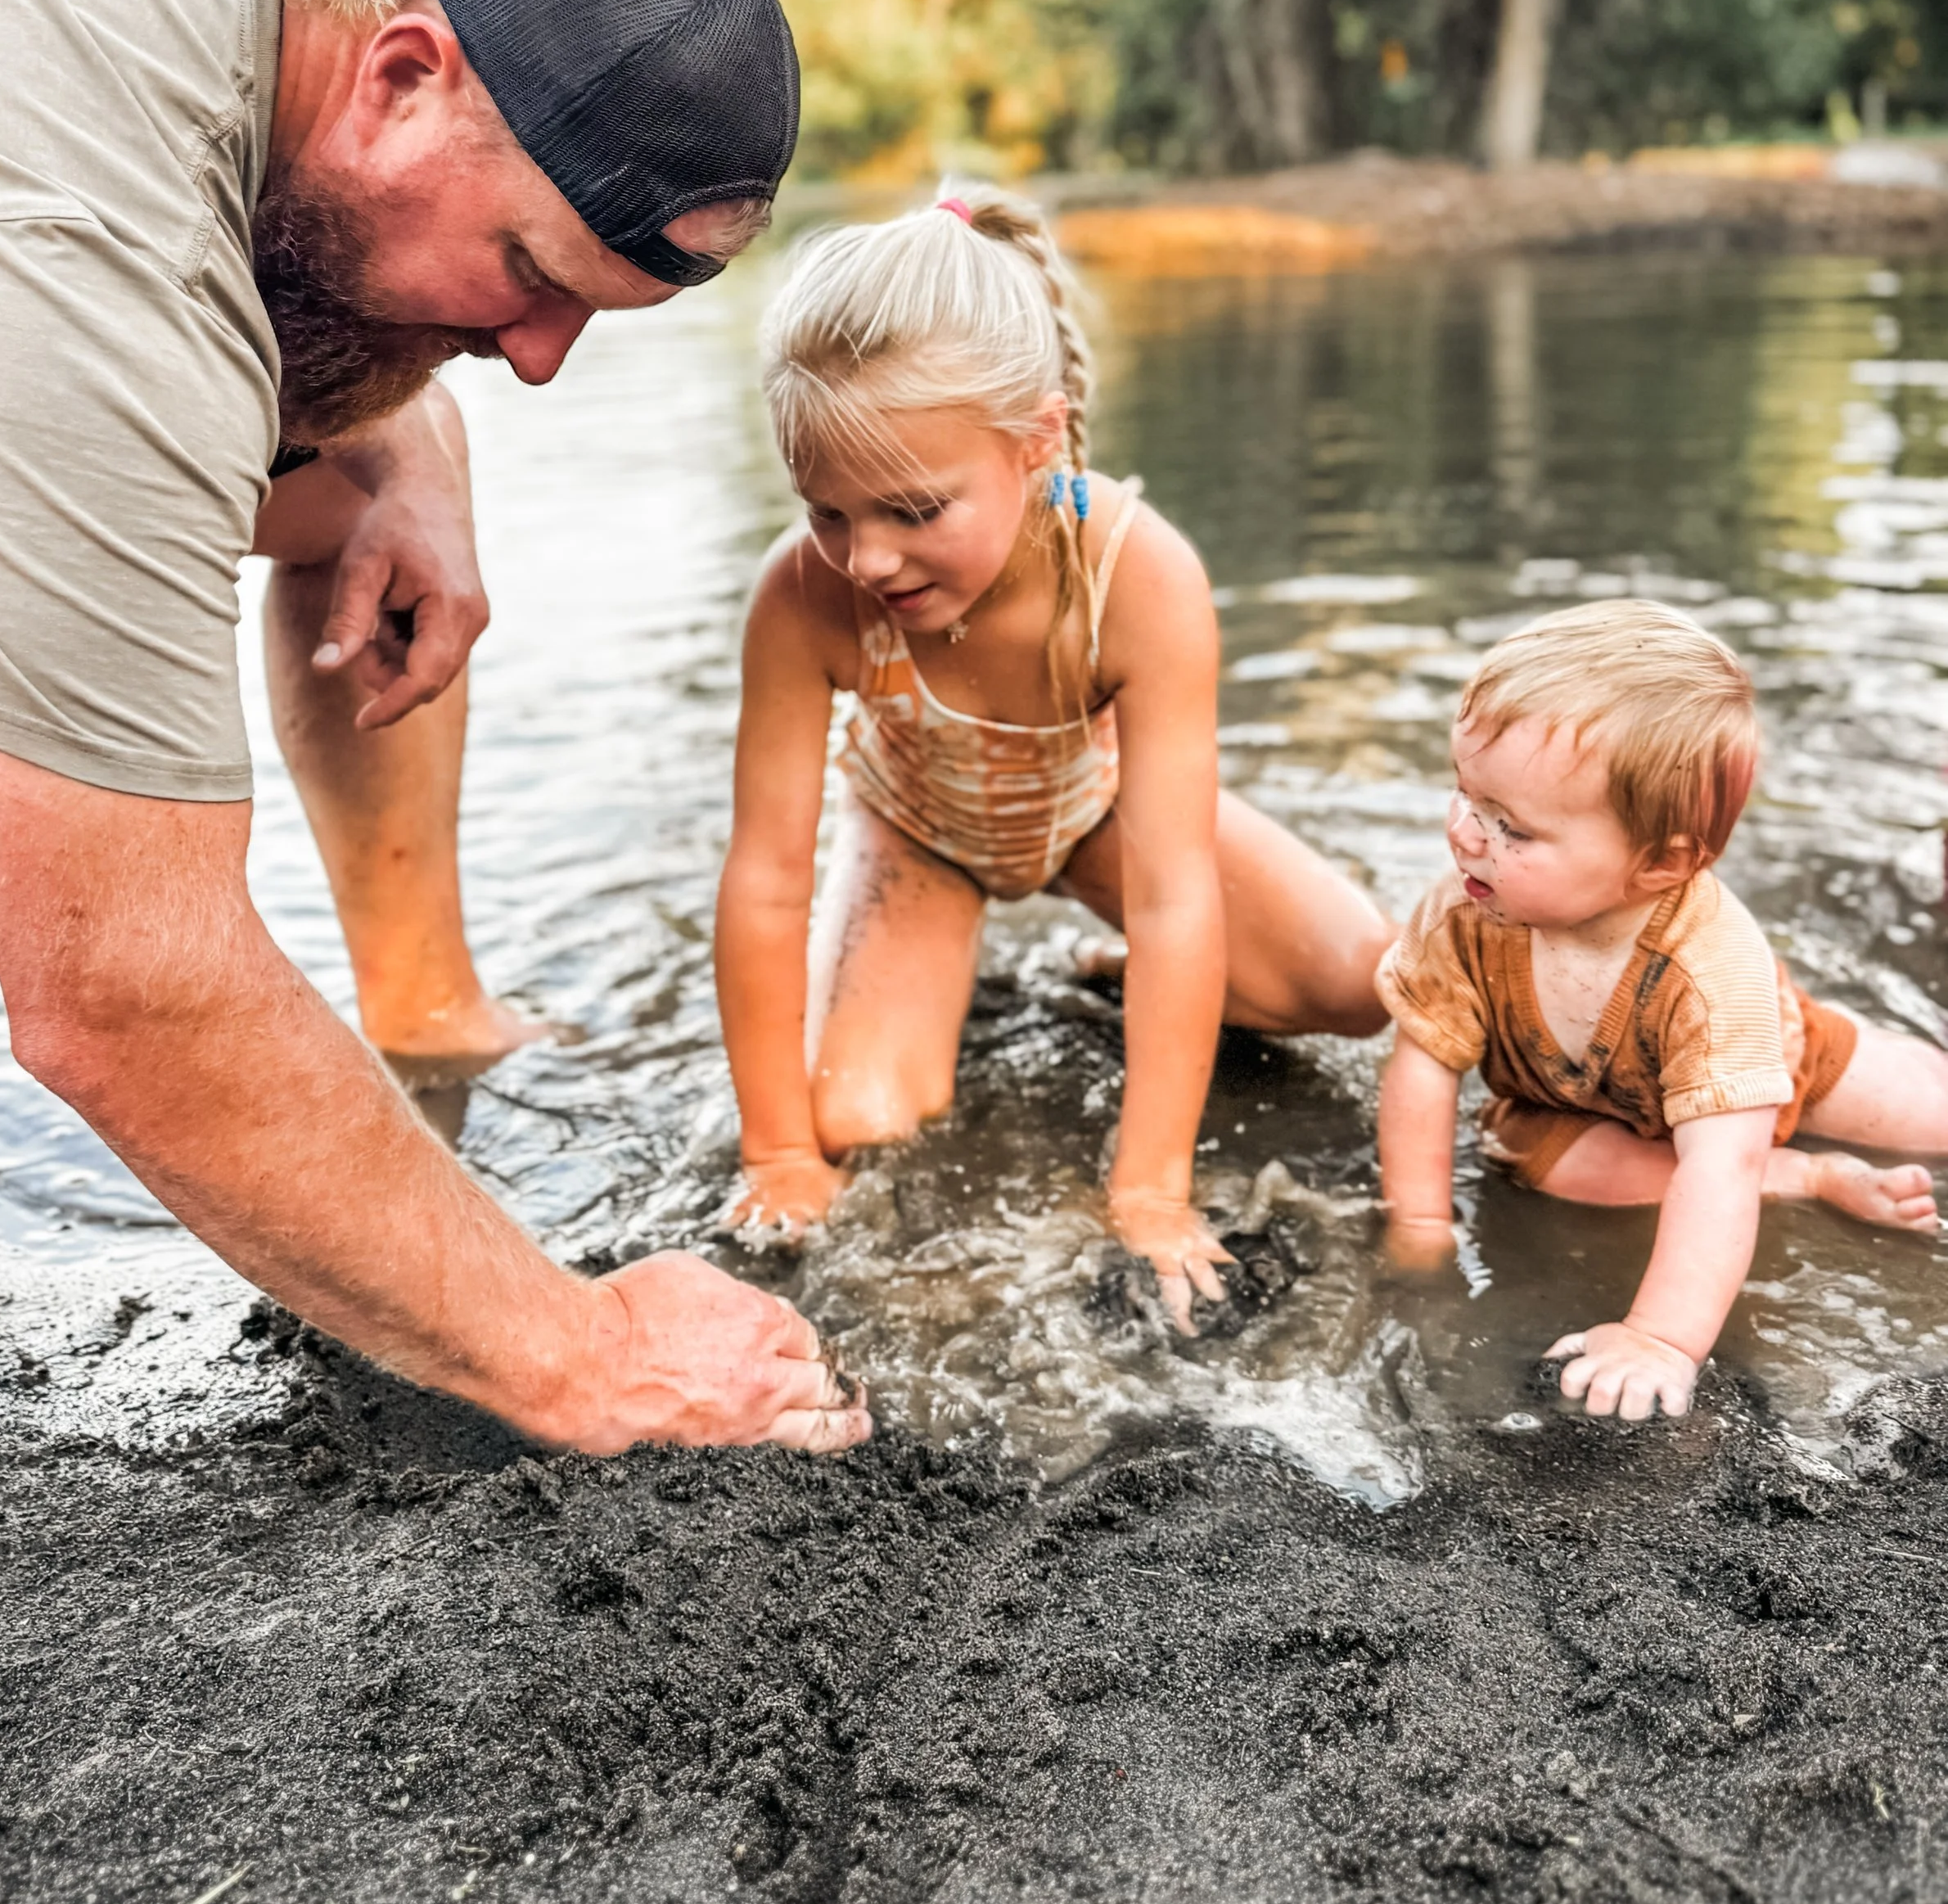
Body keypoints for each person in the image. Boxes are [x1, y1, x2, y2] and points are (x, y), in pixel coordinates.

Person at [0, 0, 866, 1456]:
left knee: (357, 460)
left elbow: (336, 230)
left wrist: (403, 426)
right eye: (528, 277)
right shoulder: (66, 269)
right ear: (405, 72)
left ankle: (423, 1001)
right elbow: (121, 990)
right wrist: (581, 1354)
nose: (538, 365)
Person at [715, 184, 1394, 1330]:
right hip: (919, 833)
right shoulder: (802, 594)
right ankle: (916, 991)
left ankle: (1115, 973)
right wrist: (777, 1150)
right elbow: (766, 877)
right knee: (862, 1121)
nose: (866, 558)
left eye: (913, 510)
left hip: (1095, 816)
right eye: (828, 512)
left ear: (1035, 440)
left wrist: (1150, 1188)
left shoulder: (1140, 575)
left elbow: (1178, 895)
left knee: (1357, 982)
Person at [1378, 598, 1948, 1423]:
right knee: (1535, 1162)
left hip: (1781, 1070)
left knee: (1926, 1110)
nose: (1467, 836)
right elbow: (1423, 1069)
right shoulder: (1463, 915)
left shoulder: (1714, 969)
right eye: (1465, 795)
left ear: (1661, 863)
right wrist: (1421, 1227)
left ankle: (1790, 1157)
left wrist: (1661, 1337)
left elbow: (1717, 1164)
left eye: (1513, 829)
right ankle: (1805, 1178)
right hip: (1566, 1107)